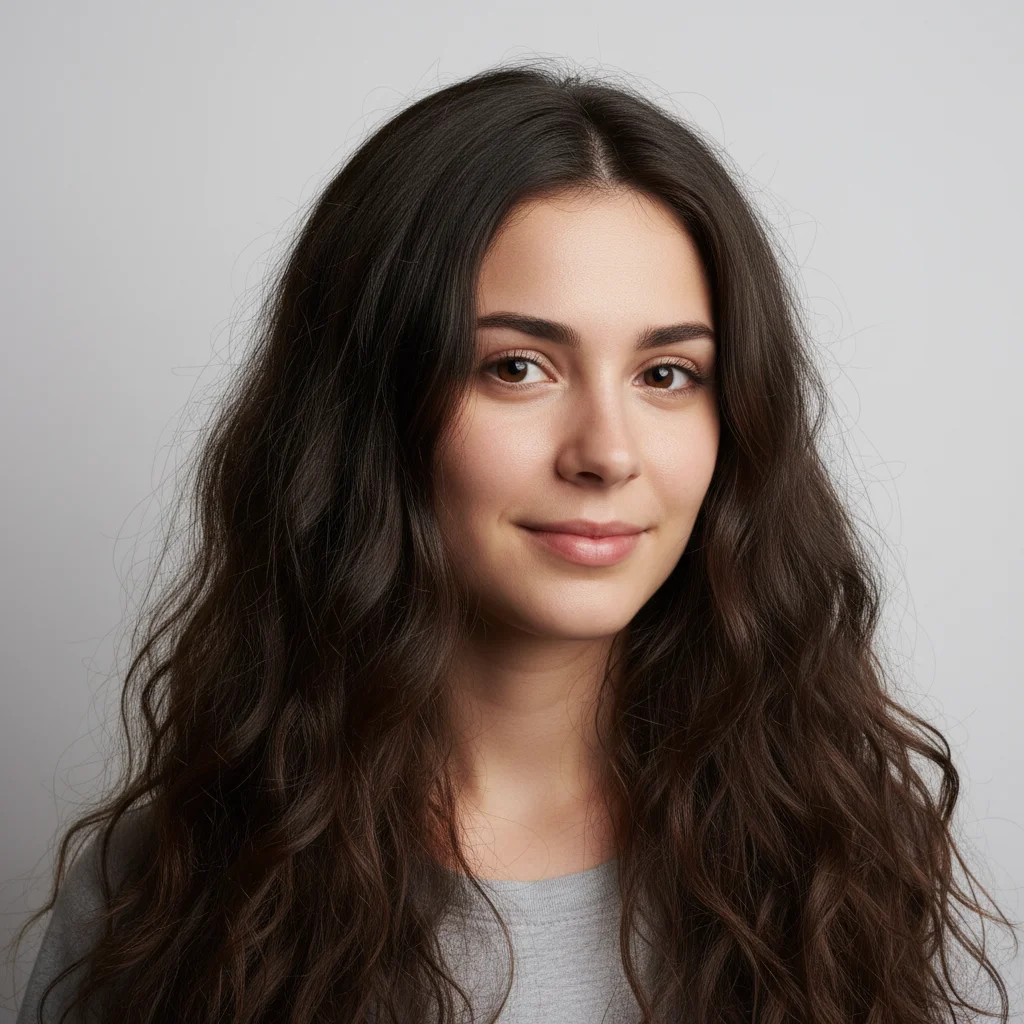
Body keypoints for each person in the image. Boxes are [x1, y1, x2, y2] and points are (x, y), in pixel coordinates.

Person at [12, 59, 1016, 1024]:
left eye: (666, 375)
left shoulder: (844, 873)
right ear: (370, 408)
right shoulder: (169, 892)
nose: (606, 453)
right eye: (517, 366)